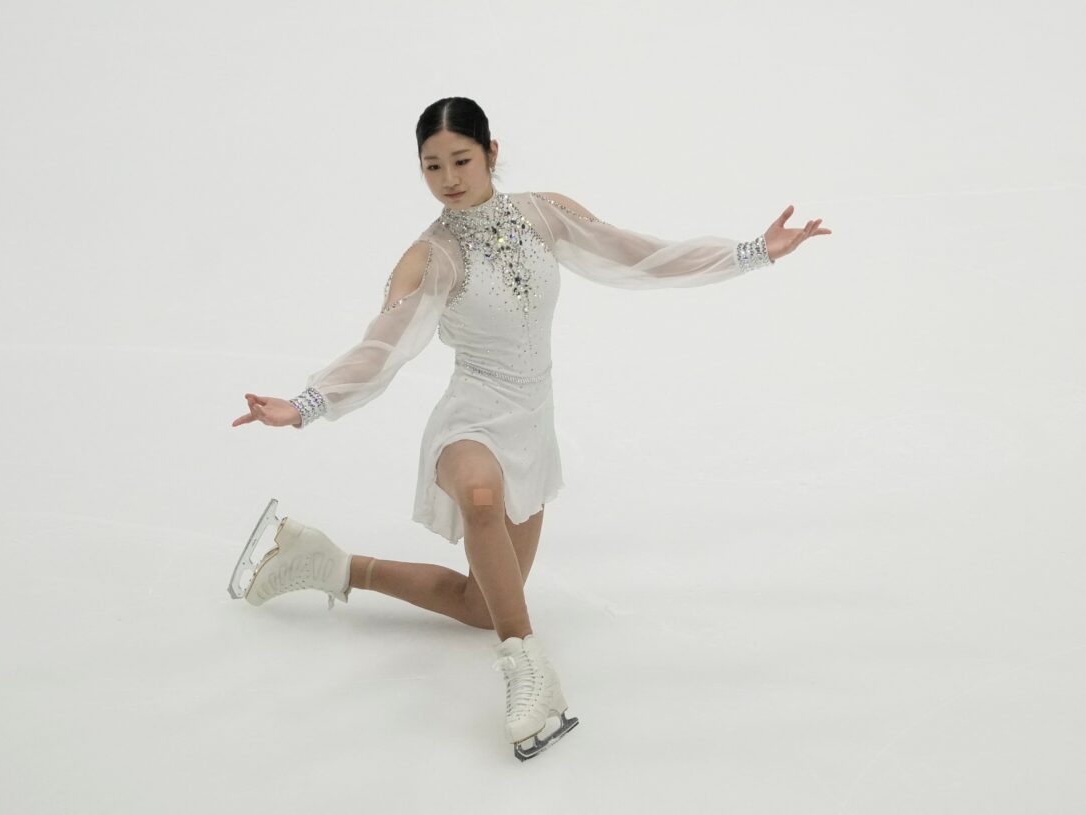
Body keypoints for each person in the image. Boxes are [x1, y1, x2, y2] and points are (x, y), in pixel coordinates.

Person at [229, 96, 830, 761]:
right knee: (480, 496)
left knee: (480, 603)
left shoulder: (546, 215)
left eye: (461, 160)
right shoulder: (430, 257)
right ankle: (528, 670)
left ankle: (324, 561)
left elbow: (640, 257)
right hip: (470, 419)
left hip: (531, 427)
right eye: (432, 166)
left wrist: (753, 252)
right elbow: (382, 348)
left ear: (491, 152)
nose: (448, 178)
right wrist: (306, 403)